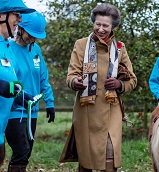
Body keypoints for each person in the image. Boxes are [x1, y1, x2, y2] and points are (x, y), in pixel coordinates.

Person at [64, 3, 137, 172]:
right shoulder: (81, 44)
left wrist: (119, 84)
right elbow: (71, 75)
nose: (101, 29)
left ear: (113, 26)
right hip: (86, 111)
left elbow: (132, 81)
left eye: (106, 25)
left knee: (110, 156)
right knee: (86, 158)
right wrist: (75, 82)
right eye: (98, 24)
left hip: (111, 110)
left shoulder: (120, 48)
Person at [5, 11, 55, 171]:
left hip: (31, 111)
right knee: (21, 150)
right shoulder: (8, 49)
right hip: (14, 110)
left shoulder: (36, 50)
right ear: (20, 28)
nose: (33, 38)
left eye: (36, 36)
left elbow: (43, 78)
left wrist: (50, 103)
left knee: (26, 153)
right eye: (31, 34)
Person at [0, 0, 35, 166]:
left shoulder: (6, 46)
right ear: (1, 15)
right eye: (16, 14)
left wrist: (20, 97)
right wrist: (2, 86)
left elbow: (9, 82)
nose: (20, 20)